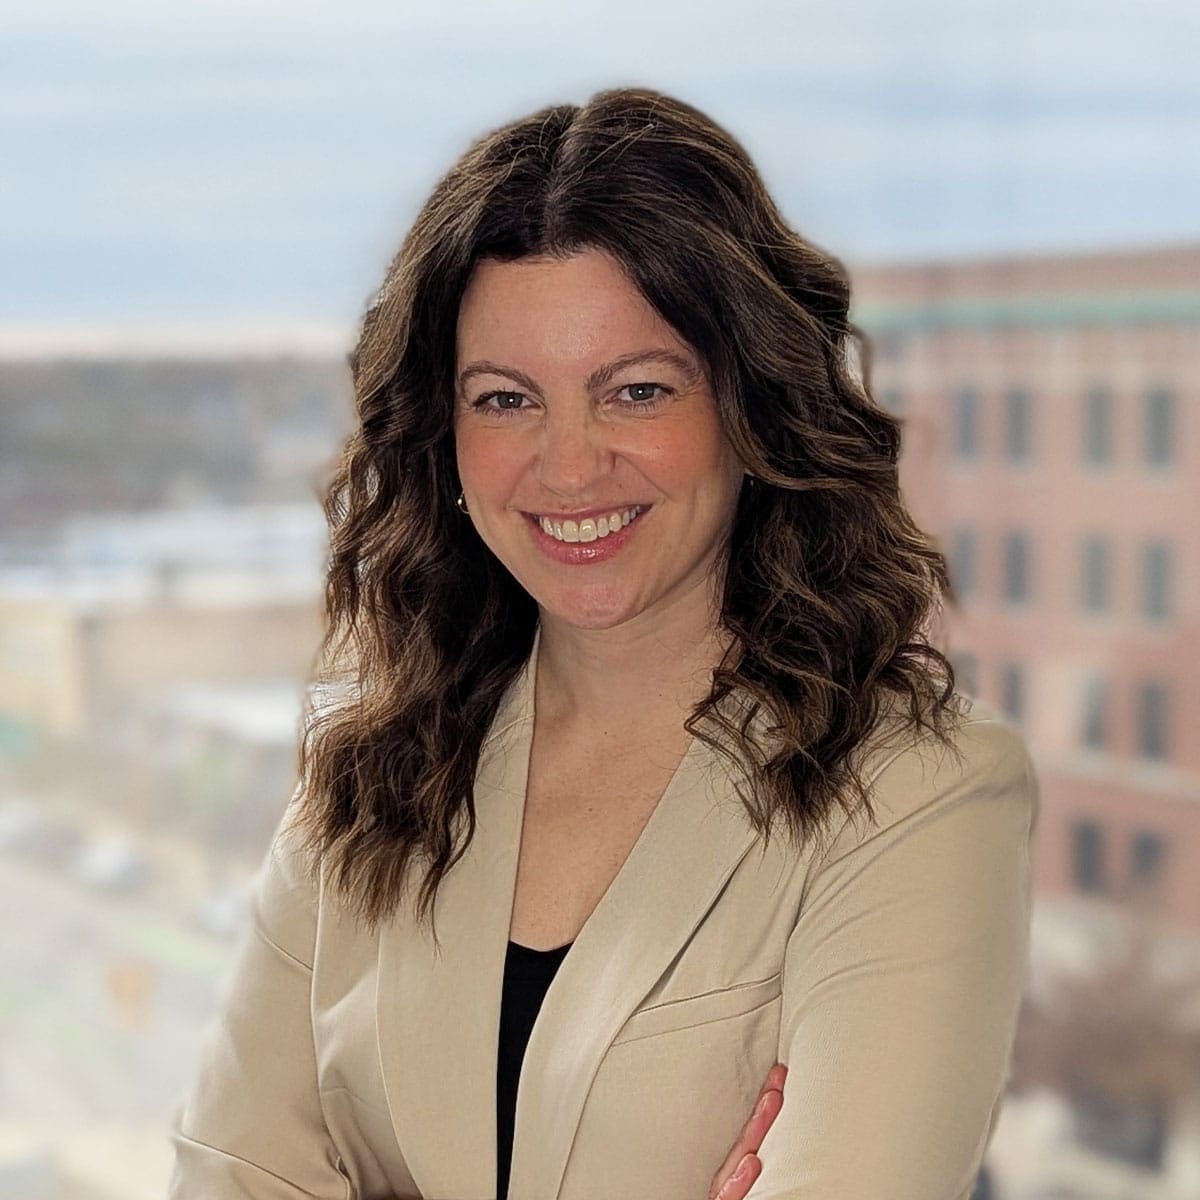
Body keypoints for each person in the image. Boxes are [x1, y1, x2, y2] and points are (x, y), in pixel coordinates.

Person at [168, 85, 1039, 1200]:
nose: (569, 467)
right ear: (444, 432)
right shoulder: (365, 783)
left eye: (635, 391)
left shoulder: (921, 795)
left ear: (747, 403)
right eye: (505, 399)